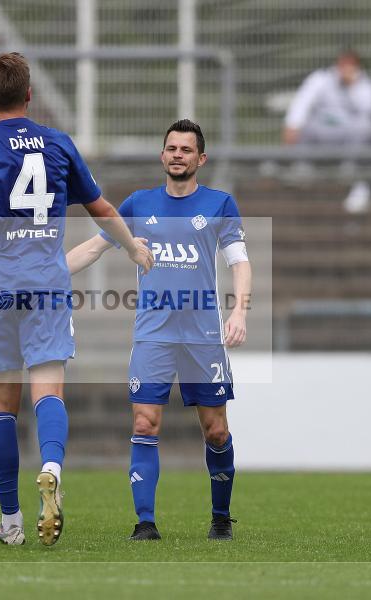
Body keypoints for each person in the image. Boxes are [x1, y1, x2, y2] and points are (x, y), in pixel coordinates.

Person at [0, 52, 153, 547]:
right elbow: (101, 207)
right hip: (47, 283)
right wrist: (132, 248)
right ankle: (51, 466)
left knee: (1, 407)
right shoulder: (58, 143)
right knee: (49, 392)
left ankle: (11, 521)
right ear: (30, 94)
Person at [66, 119, 251, 541]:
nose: (178, 155)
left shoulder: (220, 204)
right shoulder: (138, 204)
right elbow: (94, 248)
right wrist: (48, 274)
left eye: (186, 150)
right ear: (162, 155)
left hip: (203, 336)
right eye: (172, 148)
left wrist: (239, 312)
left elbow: (239, 262)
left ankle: (221, 517)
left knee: (216, 430)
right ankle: (145, 523)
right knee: (145, 424)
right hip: (153, 335)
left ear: (200, 158)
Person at [283, 49, 371, 213]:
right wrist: (291, 125)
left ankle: (350, 171)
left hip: (348, 136)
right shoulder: (320, 78)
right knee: (302, 124)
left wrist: (351, 87)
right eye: (343, 64)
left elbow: (369, 111)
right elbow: (302, 102)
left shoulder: (366, 85)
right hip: (321, 132)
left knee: (367, 127)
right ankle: (303, 169)